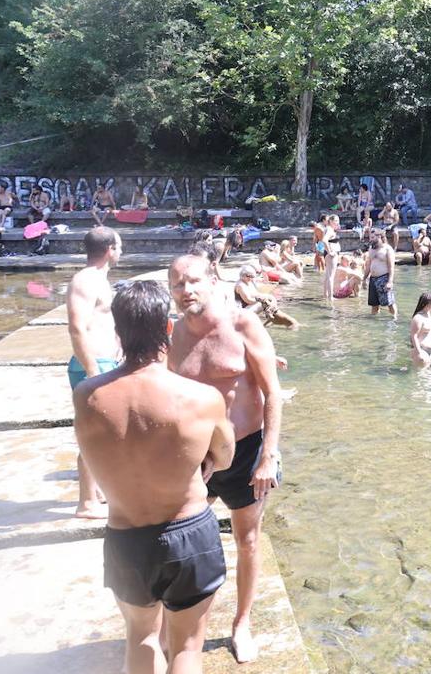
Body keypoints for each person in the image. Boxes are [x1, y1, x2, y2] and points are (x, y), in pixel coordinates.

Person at [73, 281, 236, 674]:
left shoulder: (88, 397)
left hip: (126, 538)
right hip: (189, 534)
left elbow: (95, 455)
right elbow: (226, 458)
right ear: (167, 329)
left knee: (141, 637)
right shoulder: (200, 398)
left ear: (118, 333)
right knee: (187, 648)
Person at [168, 254, 286, 663]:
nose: (186, 291)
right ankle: (187, 623)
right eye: (178, 285)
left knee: (247, 540)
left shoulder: (242, 324)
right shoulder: (174, 334)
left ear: (213, 278)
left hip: (248, 452)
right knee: (180, 539)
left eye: (193, 281)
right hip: (197, 457)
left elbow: (272, 393)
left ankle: (242, 623)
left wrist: (268, 456)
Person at [66, 226, 123, 519]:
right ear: (110, 248)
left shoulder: (100, 280)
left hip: (104, 363)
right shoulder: (85, 281)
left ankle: (97, 490)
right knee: (95, 434)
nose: (122, 250)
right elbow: (76, 326)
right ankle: (86, 502)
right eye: (120, 245)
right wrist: (91, 370)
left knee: (107, 433)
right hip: (93, 365)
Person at [234, 265, 300, 328]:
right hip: (244, 310)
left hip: (251, 306)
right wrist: (262, 299)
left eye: (252, 276)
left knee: (271, 298)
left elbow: (257, 292)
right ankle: (272, 318)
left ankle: (271, 319)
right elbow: (248, 301)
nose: (250, 278)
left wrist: (267, 297)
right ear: (242, 275)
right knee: (265, 302)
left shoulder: (249, 282)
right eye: (248, 276)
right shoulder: (240, 285)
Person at [364, 228, 396, 318]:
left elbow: (391, 267)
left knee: (390, 303)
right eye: (370, 237)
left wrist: (390, 282)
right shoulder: (371, 249)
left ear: (379, 237)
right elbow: (368, 265)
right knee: (374, 305)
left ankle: (394, 320)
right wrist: (364, 279)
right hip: (373, 279)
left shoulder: (387, 249)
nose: (370, 239)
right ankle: (374, 323)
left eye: (373, 237)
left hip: (384, 278)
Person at [320, 214, 341, 302]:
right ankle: (330, 297)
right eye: (336, 220)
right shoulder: (329, 230)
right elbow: (324, 240)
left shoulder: (329, 229)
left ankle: (326, 295)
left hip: (329, 253)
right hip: (332, 254)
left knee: (328, 275)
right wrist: (330, 252)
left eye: (338, 220)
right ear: (331, 221)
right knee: (331, 276)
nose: (338, 222)